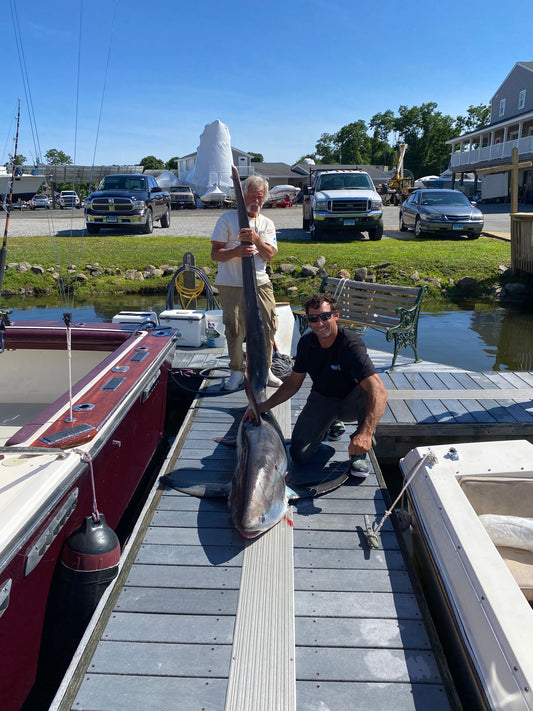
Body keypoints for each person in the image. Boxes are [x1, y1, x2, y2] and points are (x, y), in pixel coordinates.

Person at [245, 293, 388, 476]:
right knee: (299, 454)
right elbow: (293, 383)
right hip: (322, 399)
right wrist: (264, 406)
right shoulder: (306, 344)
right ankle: (331, 422)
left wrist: (366, 434)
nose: (320, 323)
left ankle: (359, 454)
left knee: (370, 391)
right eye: (313, 318)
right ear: (308, 320)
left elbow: (380, 390)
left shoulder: (351, 345)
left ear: (335, 315)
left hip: (352, 400)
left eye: (325, 316)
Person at [211, 174, 282, 392]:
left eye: (260, 196)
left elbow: (269, 255)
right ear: (242, 196)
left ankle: (266, 369)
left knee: (268, 326)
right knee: (234, 327)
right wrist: (236, 251)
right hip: (231, 284)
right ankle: (236, 372)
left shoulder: (267, 223)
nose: (256, 200)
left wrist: (256, 239)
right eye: (251, 195)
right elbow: (215, 254)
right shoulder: (226, 219)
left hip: (260, 283)